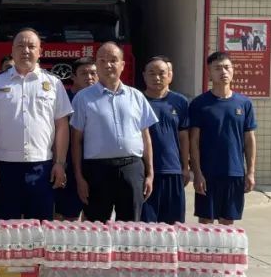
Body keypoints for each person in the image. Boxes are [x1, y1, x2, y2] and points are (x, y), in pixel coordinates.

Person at [0, 28, 72, 220]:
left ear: (40, 51)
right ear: (12, 51)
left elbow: (62, 125)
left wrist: (60, 163)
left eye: (31, 46)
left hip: (42, 166)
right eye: (20, 46)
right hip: (5, 167)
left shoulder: (54, 83)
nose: (26, 50)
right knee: (5, 227)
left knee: (40, 227)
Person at [71, 42, 157, 222]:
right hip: (97, 171)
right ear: (96, 64)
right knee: (95, 227)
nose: (108, 65)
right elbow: (76, 141)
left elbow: (145, 137)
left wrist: (149, 173)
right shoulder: (83, 98)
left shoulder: (136, 96)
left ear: (122, 65)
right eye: (102, 60)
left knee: (130, 226)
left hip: (132, 168)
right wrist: (79, 177)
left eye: (113, 60)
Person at [189, 52, 258, 225]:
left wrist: (250, 172)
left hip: (234, 172)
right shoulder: (199, 104)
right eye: (218, 68)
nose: (223, 72)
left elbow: (249, 140)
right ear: (209, 73)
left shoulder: (244, 103)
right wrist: (197, 173)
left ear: (233, 70)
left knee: (228, 222)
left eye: (227, 67)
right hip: (208, 173)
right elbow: (194, 141)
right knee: (205, 222)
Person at [141, 56, 191, 224]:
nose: (156, 77)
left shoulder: (180, 101)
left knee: (173, 226)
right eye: (151, 73)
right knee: (146, 226)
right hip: (144, 173)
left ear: (170, 75)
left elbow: (184, 136)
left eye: (161, 73)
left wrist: (185, 167)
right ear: (144, 76)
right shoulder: (137, 100)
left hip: (173, 171)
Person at [54, 57, 98, 221]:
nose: (90, 77)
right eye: (84, 73)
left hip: (94, 165)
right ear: (73, 76)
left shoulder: (102, 98)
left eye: (93, 73)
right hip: (68, 166)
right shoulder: (62, 99)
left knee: (93, 217)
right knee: (65, 218)